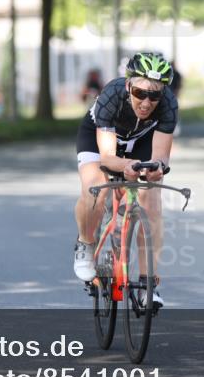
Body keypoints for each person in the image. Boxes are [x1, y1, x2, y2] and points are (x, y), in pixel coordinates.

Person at [73, 52, 178, 310]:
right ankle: (85, 244)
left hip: (139, 141)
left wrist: (157, 169)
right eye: (141, 93)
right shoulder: (112, 95)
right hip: (99, 140)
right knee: (94, 189)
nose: (147, 101)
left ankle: (149, 286)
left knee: (151, 200)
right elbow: (108, 158)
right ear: (129, 85)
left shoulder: (168, 105)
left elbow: (161, 156)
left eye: (155, 95)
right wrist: (125, 165)